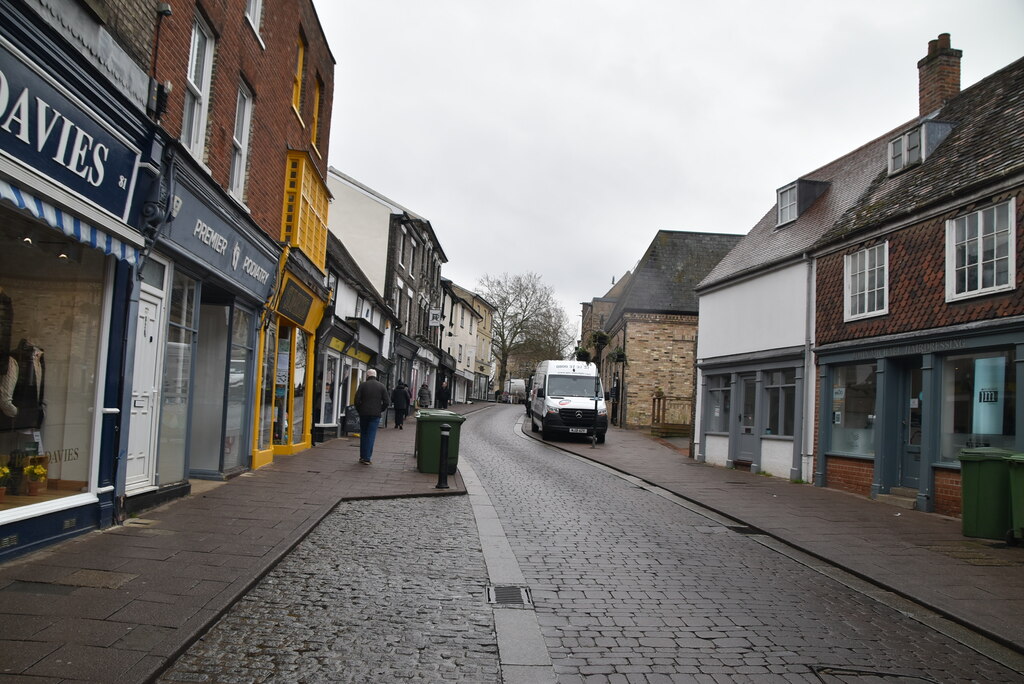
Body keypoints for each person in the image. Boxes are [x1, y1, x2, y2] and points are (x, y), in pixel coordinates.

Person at [354, 369, 389, 464]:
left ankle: (362, 456)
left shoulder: (363, 385)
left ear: (367, 376)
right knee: (371, 435)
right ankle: (367, 458)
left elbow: (356, 400)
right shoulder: (381, 386)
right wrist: (380, 409)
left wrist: (360, 410)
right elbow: (386, 402)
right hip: (375, 415)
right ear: (375, 376)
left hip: (364, 414)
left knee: (364, 434)